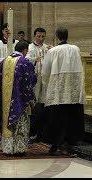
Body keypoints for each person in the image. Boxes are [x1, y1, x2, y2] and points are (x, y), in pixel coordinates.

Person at [41, 27, 85, 156]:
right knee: (72, 116)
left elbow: (45, 71)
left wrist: (47, 83)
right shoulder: (76, 49)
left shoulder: (53, 51)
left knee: (58, 118)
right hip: (74, 91)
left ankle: (56, 143)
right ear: (67, 36)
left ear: (56, 36)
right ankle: (71, 143)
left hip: (59, 91)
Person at [0, 41, 37, 156]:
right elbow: (31, 80)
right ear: (25, 50)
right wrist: (31, 99)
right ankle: (18, 148)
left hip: (4, 101)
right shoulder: (24, 62)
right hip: (19, 100)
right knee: (20, 120)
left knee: (6, 119)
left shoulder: (4, 61)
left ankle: (6, 147)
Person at [25, 27, 52, 142]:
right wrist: (35, 59)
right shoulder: (30, 48)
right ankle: (32, 132)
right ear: (34, 36)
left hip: (45, 78)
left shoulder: (47, 48)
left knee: (44, 103)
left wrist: (52, 51)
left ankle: (43, 132)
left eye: (43, 36)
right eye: (39, 36)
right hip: (35, 78)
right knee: (35, 105)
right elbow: (25, 60)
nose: (41, 39)